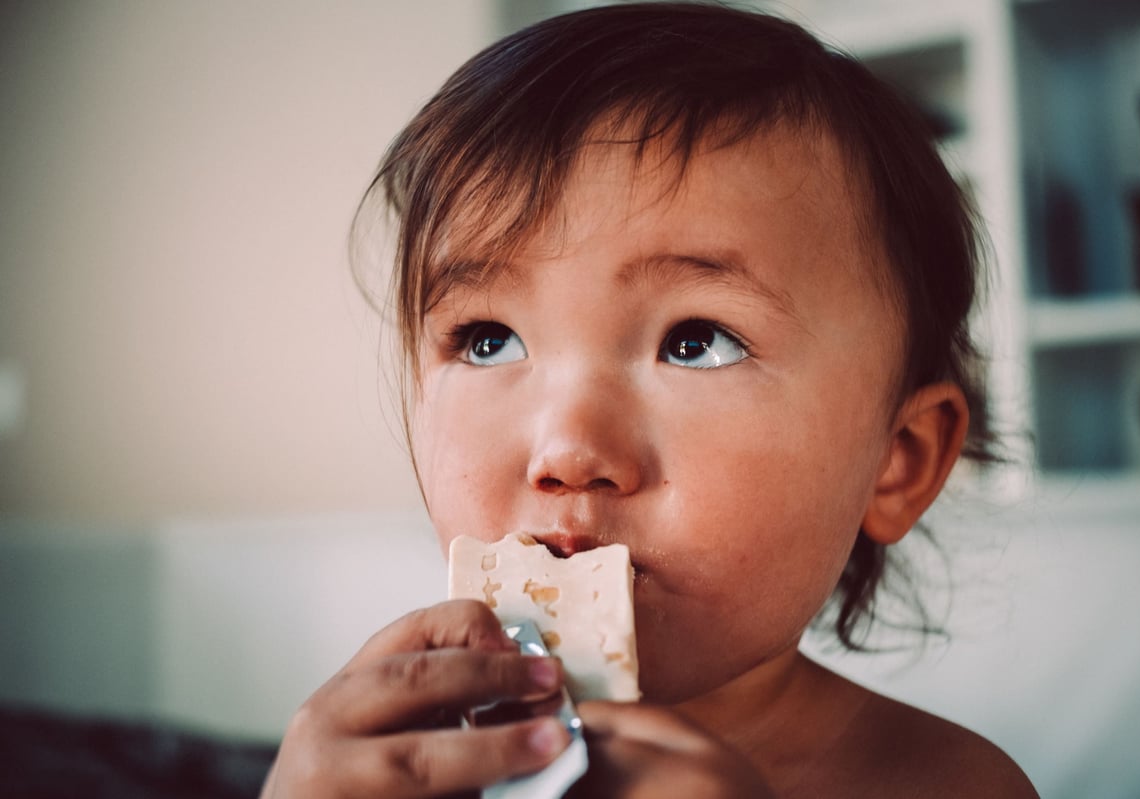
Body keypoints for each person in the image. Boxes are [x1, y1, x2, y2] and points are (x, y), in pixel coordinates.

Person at [262, 3, 1039, 797]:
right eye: (487, 337)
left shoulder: (949, 782)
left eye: (696, 340)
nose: (567, 452)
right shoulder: (396, 770)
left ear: (896, 462)